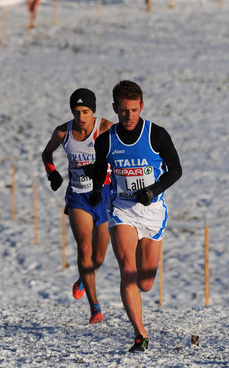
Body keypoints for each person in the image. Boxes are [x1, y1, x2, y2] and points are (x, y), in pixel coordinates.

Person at [89, 80, 182, 352]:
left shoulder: (157, 135)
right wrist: (96, 190)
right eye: (123, 111)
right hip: (122, 210)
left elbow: (175, 170)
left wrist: (153, 191)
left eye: (133, 110)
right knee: (126, 268)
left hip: (152, 213)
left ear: (141, 107)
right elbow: (99, 169)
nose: (129, 116)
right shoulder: (106, 140)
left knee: (146, 283)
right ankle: (140, 334)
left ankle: (141, 309)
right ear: (115, 108)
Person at [42, 88, 113, 324]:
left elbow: (122, 152)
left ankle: (84, 277)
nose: (81, 117)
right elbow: (46, 154)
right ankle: (95, 308)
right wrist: (52, 172)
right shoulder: (64, 132)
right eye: (76, 112)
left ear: (94, 111)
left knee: (99, 257)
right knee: (84, 248)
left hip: (103, 196)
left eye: (85, 112)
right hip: (77, 197)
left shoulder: (105, 128)